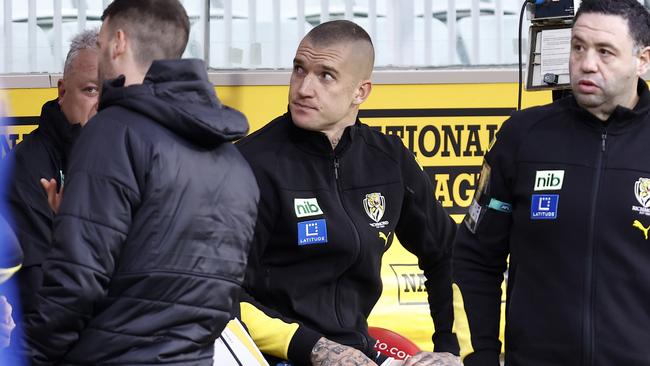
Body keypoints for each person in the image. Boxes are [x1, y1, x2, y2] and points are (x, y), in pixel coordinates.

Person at [23, 1, 259, 364]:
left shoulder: (112, 133)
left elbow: (75, 285)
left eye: (100, 42)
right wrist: (72, 221)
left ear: (118, 43)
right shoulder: (234, 162)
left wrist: (31, 356)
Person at [236, 20, 460, 366]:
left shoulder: (389, 159)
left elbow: (449, 254)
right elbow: (219, 291)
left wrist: (450, 349)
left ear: (361, 92)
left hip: (357, 354)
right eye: (299, 70)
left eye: (325, 75)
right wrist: (312, 347)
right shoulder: (251, 163)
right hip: (270, 354)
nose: (304, 88)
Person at [452, 0, 650, 365]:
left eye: (605, 52)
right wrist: (478, 354)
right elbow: (474, 257)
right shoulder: (523, 136)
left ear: (643, 60)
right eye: (578, 47)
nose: (587, 64)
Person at [4, 29, 99, 315]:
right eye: (90, 90)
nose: (101, 105)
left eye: (113, 92)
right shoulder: (26, 167)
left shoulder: (130, 158)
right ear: (62, 91)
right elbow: (40, 291)